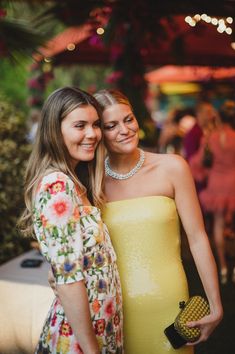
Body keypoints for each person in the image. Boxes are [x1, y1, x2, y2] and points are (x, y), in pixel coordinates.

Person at [93, 89, 223, 354]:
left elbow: (197, 238)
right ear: (99, 132)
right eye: (111, 125)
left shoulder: (172, 167)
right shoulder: (92, 182)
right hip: (114, 308)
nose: (124, 129)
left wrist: (215, 303)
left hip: (168, 299)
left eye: (128, 119)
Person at [19, 87, 123, 354]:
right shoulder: (57, 185)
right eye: (80, 125)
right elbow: (68, 280)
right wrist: (91, 350)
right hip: (78, 341)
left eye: (96, 125)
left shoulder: (77, 183)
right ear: (55, 130)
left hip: (99, 331)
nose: (93, 134)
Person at [190, 100, 235, 285]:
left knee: (217, 225)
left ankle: (223, 268)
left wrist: (206, 172)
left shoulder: (210, 138)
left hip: (216, 185)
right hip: (234, 183)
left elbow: (197, 162)